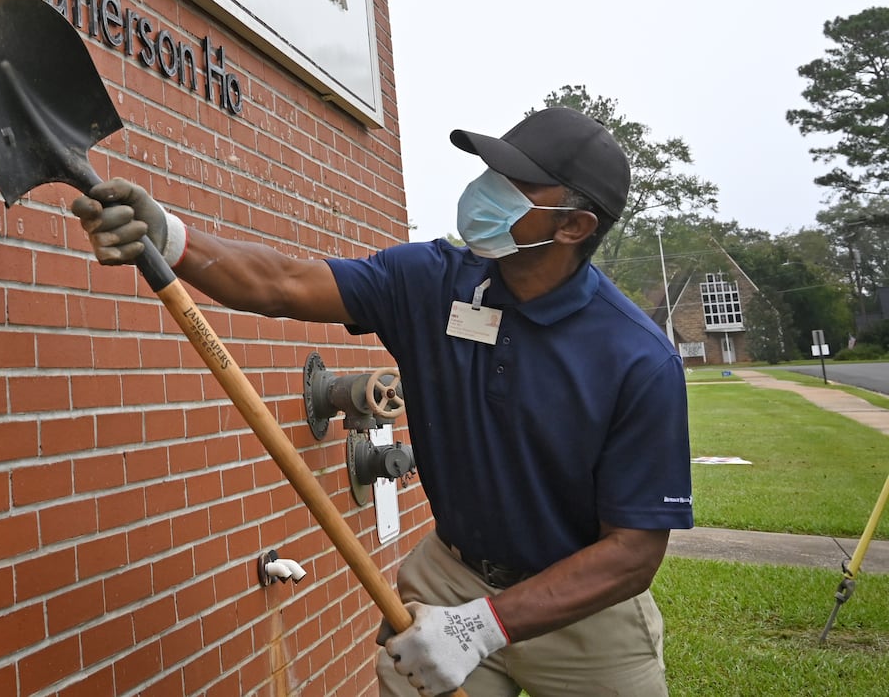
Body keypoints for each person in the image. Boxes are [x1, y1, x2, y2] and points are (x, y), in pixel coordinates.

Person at [71, 107, 691, 697]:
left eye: (516, 184)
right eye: (492, 172)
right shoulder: (432, 281)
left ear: (574, 225)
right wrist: (167, 236)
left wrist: (481, 628)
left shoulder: (636, 359)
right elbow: (282, 283)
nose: (487, 189)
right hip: (451, 577)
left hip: (581, 606)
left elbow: (632, 554)